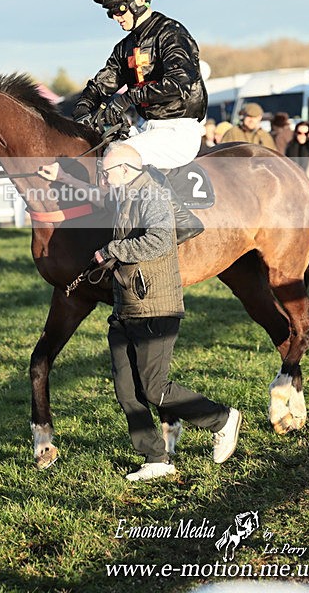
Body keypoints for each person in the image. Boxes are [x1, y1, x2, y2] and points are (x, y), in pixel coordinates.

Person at [93, 142, 242, 481]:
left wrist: (112, 249)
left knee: (154, 388)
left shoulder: (152, 195)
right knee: (126, 391)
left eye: (106, 171)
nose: (102, 176)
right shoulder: (124, 193)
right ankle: (156, 458)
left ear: (127, 170)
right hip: (126, 307)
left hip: (155, 308)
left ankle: (222, 418)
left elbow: (160, 240)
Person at [73, 0, 207, 170]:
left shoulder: (172, 34)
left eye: (119, 10)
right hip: (148, 128)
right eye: (110, 13)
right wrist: (83, 107)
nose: (115, 17)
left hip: (179, 130)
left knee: (116, 158)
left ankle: (156, 202)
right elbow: (103, 84)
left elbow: (179, 84)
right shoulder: (125, 47)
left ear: (139, 2)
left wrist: (127, 98)